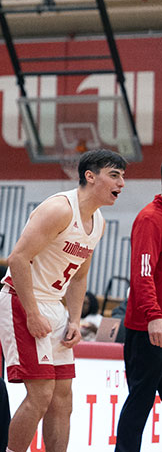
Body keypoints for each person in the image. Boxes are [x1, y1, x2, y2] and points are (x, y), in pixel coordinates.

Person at [0, 149, 127, 452]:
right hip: (22, 299)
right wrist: (31, 312)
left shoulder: (99, 222)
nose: (122, 183)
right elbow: (17, 259)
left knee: (62, 397)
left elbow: (79, 277)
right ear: (90, 176)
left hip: (55, 305)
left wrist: (75, 320)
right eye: (115, 175)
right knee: (40, 394)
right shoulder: (60, 208)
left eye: (123, 177)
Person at [115, 174, 162, 452]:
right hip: (149, 329)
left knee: (140, 401)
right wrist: (153, 315)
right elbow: (142, 273)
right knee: (140, 401)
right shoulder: (150, 219)